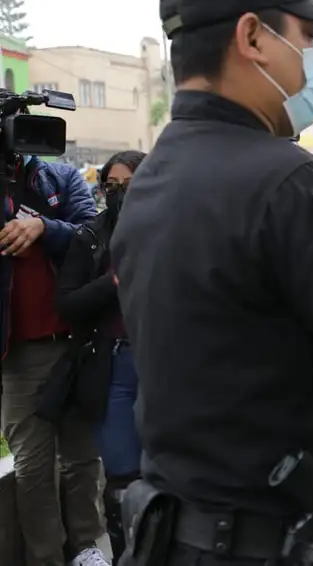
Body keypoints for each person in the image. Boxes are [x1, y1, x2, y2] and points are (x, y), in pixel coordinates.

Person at [110, 0, 313, 564]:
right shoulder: (288, 184)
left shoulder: (151, 179)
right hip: (266, 541)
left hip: (173, 536)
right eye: (305, 35)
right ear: (253, 37)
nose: (311, 57)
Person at [0, 154, 106, 566]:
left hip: (76, 342)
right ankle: (46, 557)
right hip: (18, 352)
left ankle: (87, 550)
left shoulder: (59, 177)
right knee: (33, 466)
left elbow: (94, 232)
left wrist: (45, 226)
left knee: (82, 458)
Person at [55, 150, 146, 566]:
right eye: (111, 186)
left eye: (128, 185)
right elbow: (69, 304)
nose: (119, 194)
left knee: (173, 475)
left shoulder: (172, 231)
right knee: (123, 480)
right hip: (113, 367)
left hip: (166, 368)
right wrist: (114, 280)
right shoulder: (90, 235)